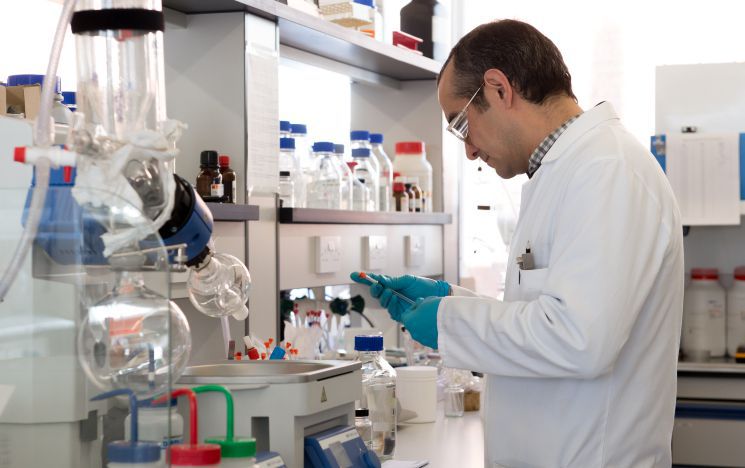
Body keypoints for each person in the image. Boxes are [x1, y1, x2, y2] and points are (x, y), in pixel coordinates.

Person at [351, 19, 683, 467]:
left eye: (461, 124)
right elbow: (551, 312)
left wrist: (450, 323)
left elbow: (580, 339)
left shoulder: (607, 170)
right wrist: (454, 300)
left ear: (498, 89)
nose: (468, 150)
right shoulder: (560, 171)